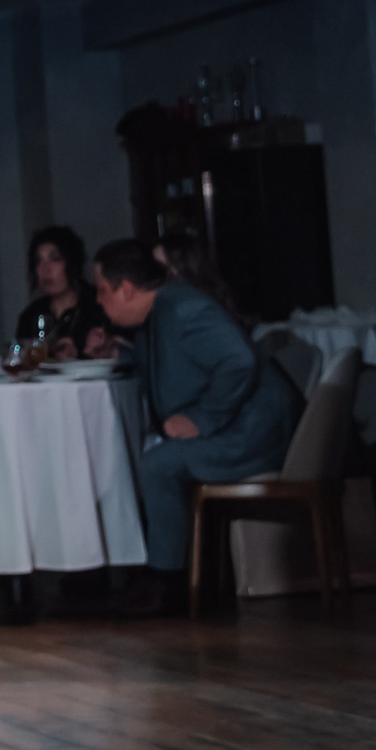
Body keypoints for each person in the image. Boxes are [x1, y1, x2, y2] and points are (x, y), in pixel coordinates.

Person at [93, 237, 299, 603]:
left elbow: (239, 361)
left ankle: (165, 581)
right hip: (238, 427)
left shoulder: (182, 307)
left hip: (252, 433)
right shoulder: (157, 314)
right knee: (143, 454)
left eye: (103, 290)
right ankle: (155, 570)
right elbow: (167, 363)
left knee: (159, 463)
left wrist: (203, 418)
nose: (98, 300)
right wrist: (118, 356)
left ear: (125, 289)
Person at [14, 224, 111, 359]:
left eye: (55, 259)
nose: (45, 269)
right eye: (38, 261)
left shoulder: (98, 306)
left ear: (72, 262)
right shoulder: (31, 315)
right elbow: (20, 355)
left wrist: (79, 355)